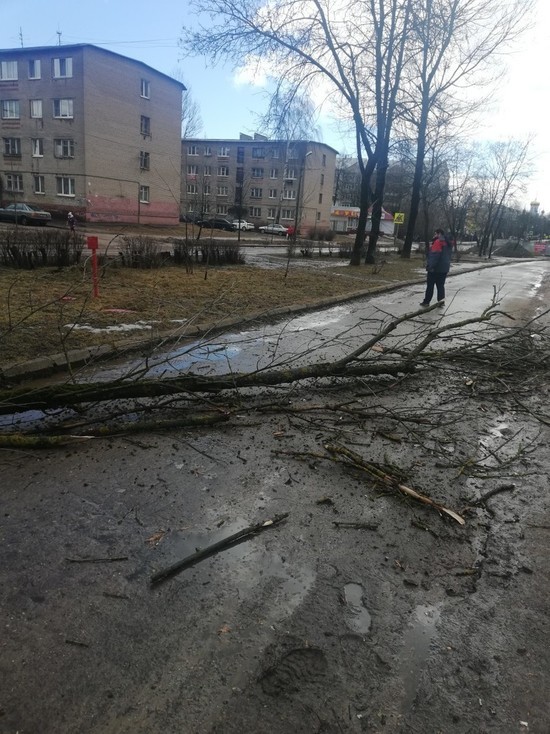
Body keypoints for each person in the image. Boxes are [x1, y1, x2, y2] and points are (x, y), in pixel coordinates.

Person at [420, 228, 452, 307]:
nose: (434, 235)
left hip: (435, 269)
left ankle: (426, 302)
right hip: (444, 268)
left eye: (435, 234)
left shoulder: (438, 242)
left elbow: (435, 256)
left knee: (430, 286)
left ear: (439, 234)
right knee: (440, 286)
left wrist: (430, 266)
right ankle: (441, 302)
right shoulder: (448, 242)